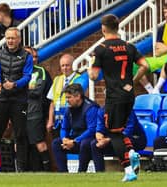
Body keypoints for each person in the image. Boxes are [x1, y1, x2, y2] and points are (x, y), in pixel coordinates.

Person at [87, 14, 148, 182]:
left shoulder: (101, 49)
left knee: (114, 134)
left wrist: (90, 64)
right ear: (118, 26)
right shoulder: (129, 46)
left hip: (114, 96)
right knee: (120, 131)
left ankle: (128, 169)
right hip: (129, 95)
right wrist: (133, 81)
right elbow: (145, 65)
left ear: (103, 28)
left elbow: (93, 76)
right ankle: (132, 154)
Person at [0, 27, 33, 172]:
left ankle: (21, 169)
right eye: (8, 38)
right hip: (2, 99)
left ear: (19, 39)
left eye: (13, 38)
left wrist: (14, 84)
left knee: (20, 135)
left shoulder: (27, 56)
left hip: (19, 99)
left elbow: (27, 77)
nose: (10, 41)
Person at [51, 83, 99, 172]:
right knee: (56, 143)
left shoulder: (91, 108)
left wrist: (75, 141)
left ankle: (81, 172)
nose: (67, 100)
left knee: (85, 143)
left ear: (78, 96)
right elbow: (64, 128)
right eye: (66, 97)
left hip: (88, 139)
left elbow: (92, 130)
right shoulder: (69, 109)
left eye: (69, 97)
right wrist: (64, 139)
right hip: (75, 139)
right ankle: (63, 174)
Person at [24, 46, 52, 171]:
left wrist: (18, 89)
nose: (33, 59)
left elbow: (36, 92)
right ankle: (21, 172)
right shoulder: (15, 71)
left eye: (35, 56)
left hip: (35, 113)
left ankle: (48, 171)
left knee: (39, 143)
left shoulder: (40, 71)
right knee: (19, 144)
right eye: (31, 56)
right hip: (19, 113)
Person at [46, 54, 80, 135]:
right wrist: (50, 120)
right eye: (62, 66)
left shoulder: (79, 79)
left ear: (73, 65)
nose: (65, 68)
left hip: (73, 120)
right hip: (58, 122)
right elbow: (52, 102)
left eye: (67, 65)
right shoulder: (57, 79)